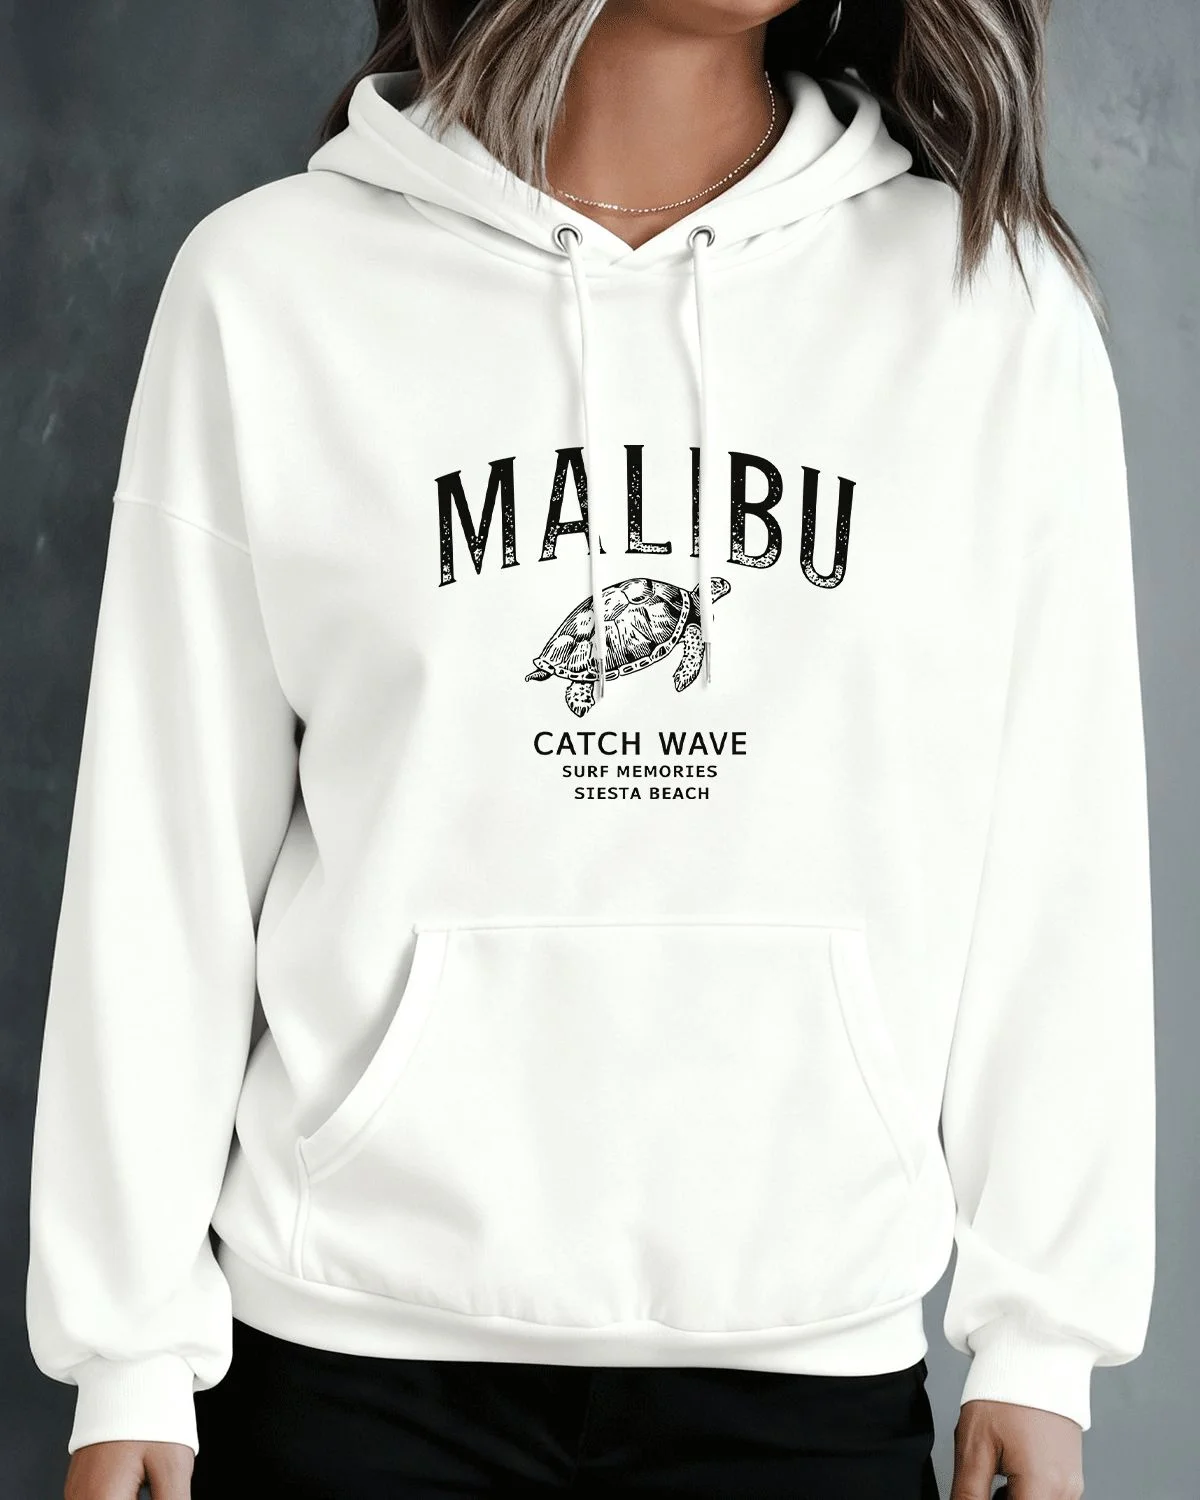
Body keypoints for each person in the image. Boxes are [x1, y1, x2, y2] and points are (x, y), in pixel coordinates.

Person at [27, 1, 1156, 1497]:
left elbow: (1060, 854)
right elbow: (161, 847)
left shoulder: (987, 308)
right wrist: (127, 1355)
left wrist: (1041, 1338)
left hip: (803, 1372)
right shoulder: (274, 287)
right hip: (348, 1359)